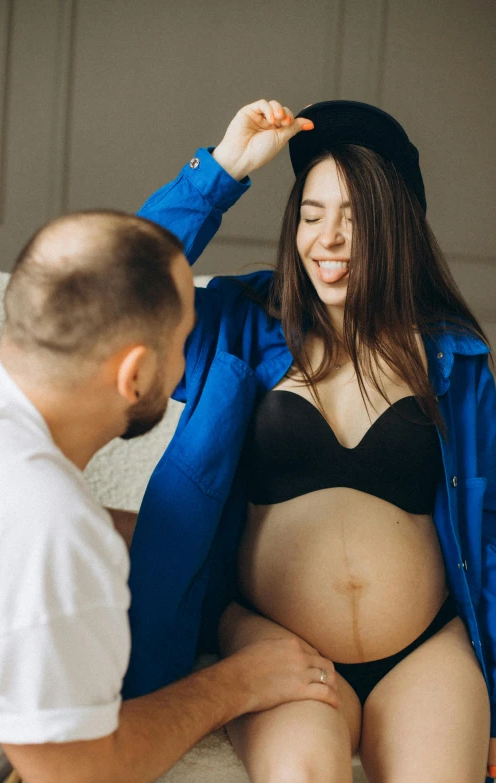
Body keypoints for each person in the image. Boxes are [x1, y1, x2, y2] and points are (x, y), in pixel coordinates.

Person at [125, 99, 496, 782]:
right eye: (312, 214)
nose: (328, 238)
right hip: (274, 636)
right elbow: (120, 282)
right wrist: (224, 168)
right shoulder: (238, 326)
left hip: (425, 646)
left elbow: (491, 526)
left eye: (354, 219)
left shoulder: (453, 358)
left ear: (398, 230)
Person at [0, 209, 340, 783]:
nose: (186, 364)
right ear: (137, 375)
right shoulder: (47, 522)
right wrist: (238, 680)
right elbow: (79, 774)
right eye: (184, 342)